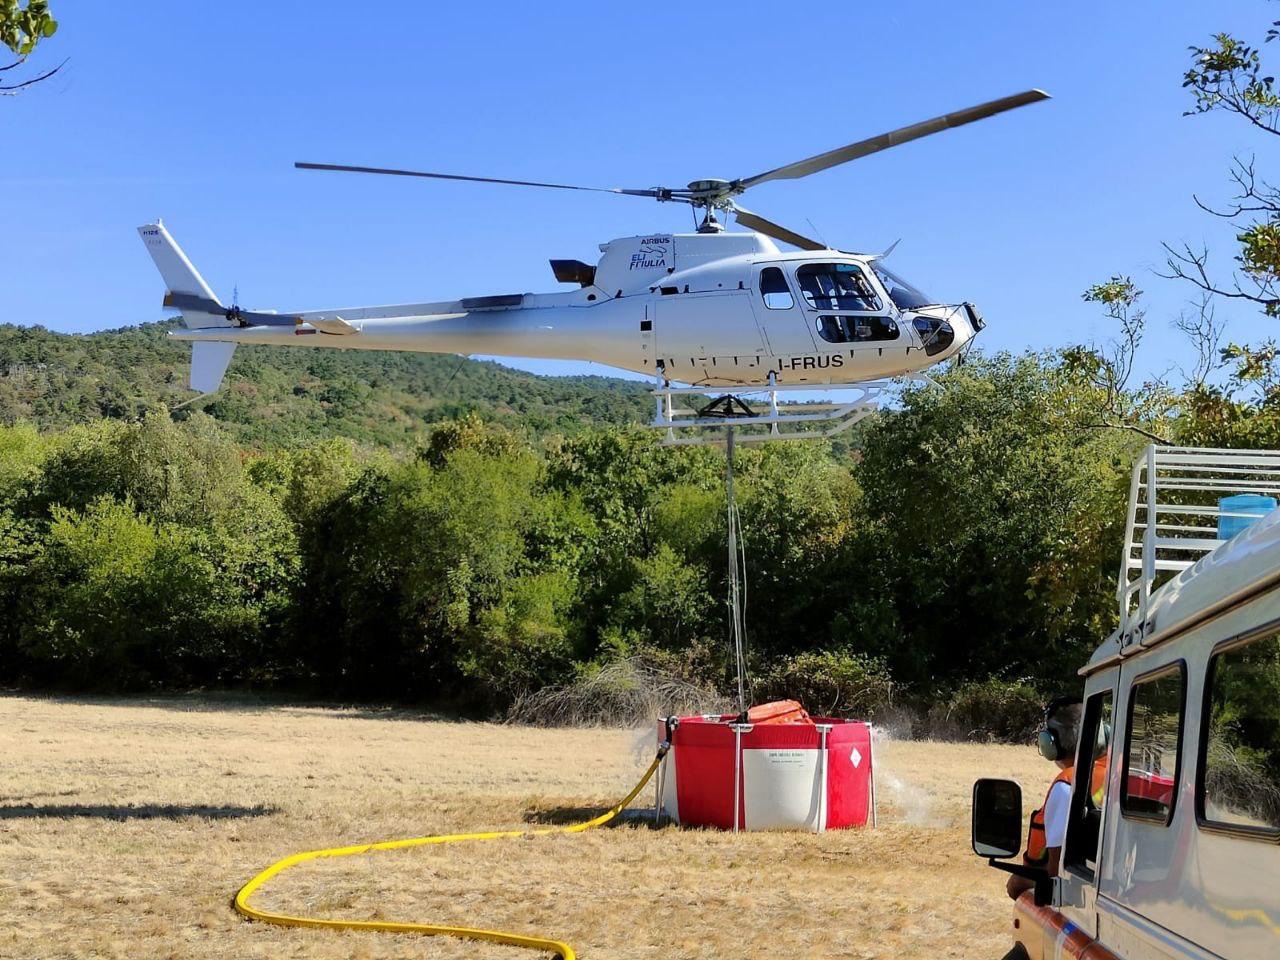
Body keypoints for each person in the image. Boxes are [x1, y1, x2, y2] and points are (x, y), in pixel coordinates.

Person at [1006, 696, 1095, 901]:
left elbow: (1057, 876)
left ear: (1050, 743)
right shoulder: (1119, 774)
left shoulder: (1066, 787)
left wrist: (1019, 882)